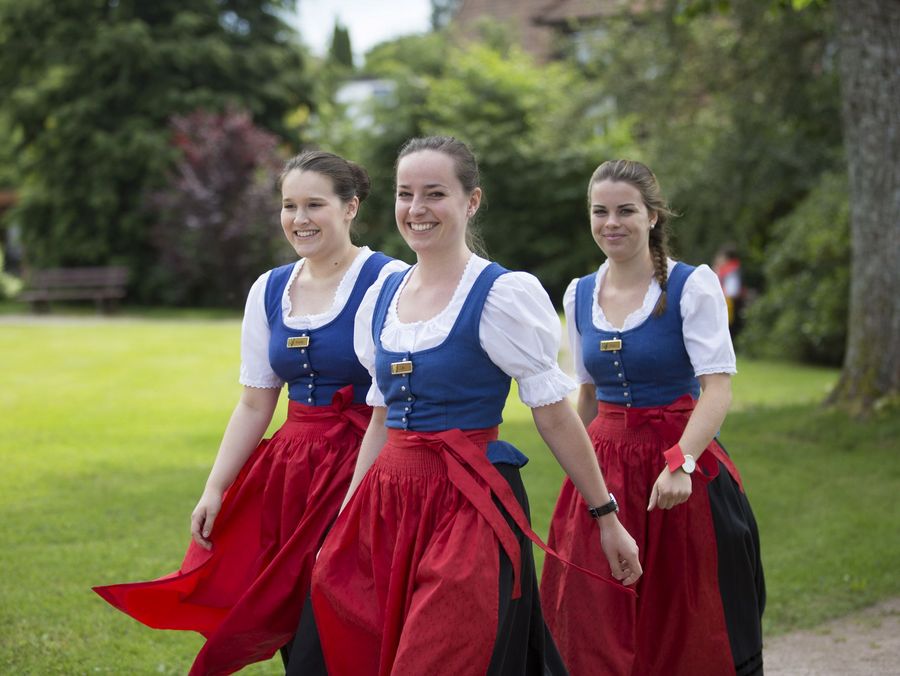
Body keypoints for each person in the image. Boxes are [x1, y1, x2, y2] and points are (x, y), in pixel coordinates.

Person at [305, 136, 642, 676]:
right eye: (404, 193)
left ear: (472, 200)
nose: (416, 209)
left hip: (470, 504)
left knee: (441, 657)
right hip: (389, 502)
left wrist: (606, 517)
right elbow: (381, 418)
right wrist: (347, 515)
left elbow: (554, 413)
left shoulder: (503, 295)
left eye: (434, 193)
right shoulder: (382, 296)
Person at [93, 150, 405, 675]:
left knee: (342, 617)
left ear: (350, 207)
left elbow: (393, 400)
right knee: (287, 613)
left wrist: (359, 496)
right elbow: (256, 399)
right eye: (288, 205)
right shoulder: (270, 289)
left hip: (365, 465)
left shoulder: (389, 280)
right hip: (291, 472)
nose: (299, 219)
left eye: (314, 205)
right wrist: (216, 487)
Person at [540, 160, 765, 676]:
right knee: (593, 615)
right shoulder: (578, 295)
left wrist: (681, 463)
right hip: (604, 468)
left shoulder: (693, 286)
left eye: (626, 211)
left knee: (683, 615)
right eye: (600, 211)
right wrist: (582, 480)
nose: (611, 223)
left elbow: (717, 390)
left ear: (653, 216)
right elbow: (588, 398)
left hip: (679, 463)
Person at [713, 244, 744, 338]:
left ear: (726, 258)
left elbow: (732, 292)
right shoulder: (723, 270)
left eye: (720, 257)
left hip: (730, 309)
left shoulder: (731, 272)